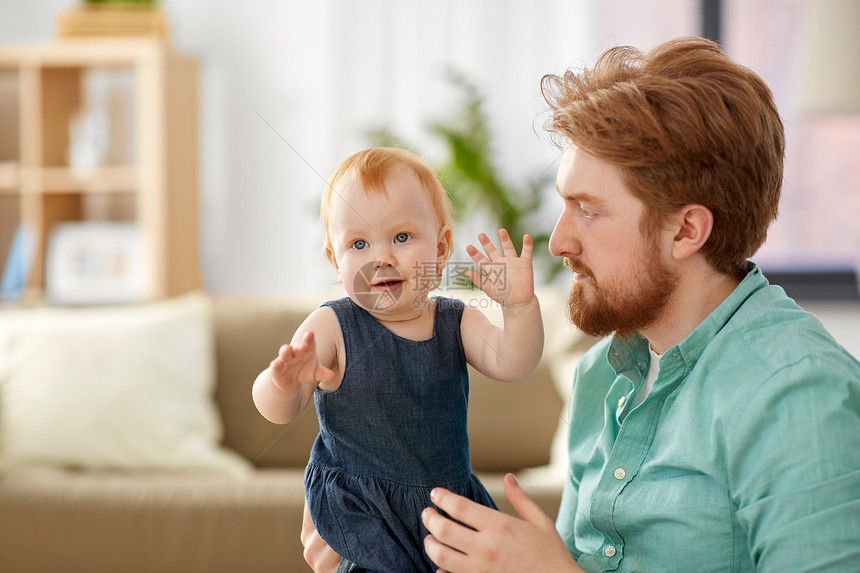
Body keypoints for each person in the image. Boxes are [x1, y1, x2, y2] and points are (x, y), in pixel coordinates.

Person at [416, 37, 860, 571]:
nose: (558, 242)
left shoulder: (799, 395)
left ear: (686, 230)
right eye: (564, 204)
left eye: (589, 210)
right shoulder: (600, 374)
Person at [252, 147, 544, 572]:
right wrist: (282, 384)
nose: (381, 257)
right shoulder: (332, 326)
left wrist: (519, 309)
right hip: (365, 516)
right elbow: (278, 413)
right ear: (335, 259)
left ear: (441, 248)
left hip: (447, 510)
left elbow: (514, 363)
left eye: (402, 238)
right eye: (358, 243)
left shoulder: (456, 321)